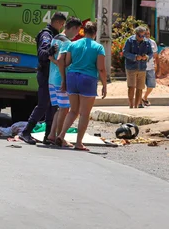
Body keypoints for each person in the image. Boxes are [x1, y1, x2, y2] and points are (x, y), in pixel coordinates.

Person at [56, 22, 107, 151]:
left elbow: (67, 62)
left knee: (73, 110)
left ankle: (61, 135)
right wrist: (105, 85)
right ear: (95, 33)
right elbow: (101, 68)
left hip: (72, 77)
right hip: (88, 79)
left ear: (83, 32)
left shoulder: (73, 44)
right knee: (84, 113)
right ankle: (79, 143)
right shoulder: (98, 47)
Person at [19, 11, 67, 145]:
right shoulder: (47, 34)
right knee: (43, 104)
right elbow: (42, 53)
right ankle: (26, 132)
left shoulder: (53, 35)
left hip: (50, 75)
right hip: (45, 74)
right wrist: (50, 51)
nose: (62, 27)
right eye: (62, 24)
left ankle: (48, 136)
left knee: (52, 106)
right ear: (57, 22)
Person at [45, 17, 83, 145]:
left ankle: (51, 135)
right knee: (64, 109)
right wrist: (64, 80)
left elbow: (53, 57)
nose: (77, 34)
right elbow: (61, 60)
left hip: (51, 78)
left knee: (60, 109)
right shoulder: (67, 42)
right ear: (73, 28)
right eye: (78, 31)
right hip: (59, 79)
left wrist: (53, 60)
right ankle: (59, 137)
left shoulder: (56, 38)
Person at [123, 26, 153, 108]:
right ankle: (131, 105)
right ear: (136, 34)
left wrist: (146, 57)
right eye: (140, 36)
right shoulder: (129, 41)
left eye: (144, 36)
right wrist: (135, 57)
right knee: (131, 86)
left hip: (142, 67)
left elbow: (151, 53)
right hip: (131, 67)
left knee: (140, 88)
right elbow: (125, 52)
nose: (142, 38)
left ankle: (136, 106)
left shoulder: (147, 42)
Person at [142, 29, 159, 107]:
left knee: (151, 85)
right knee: (140, 86)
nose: (147, 35)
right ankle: (140, 100)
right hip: (141, 67)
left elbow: (155, 55)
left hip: (150, 67)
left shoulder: (153, 43)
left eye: (148, 34)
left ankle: (144, 97)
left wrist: (156, 65)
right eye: (145, 34)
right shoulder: (139, 42)